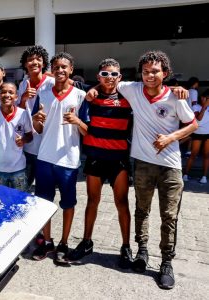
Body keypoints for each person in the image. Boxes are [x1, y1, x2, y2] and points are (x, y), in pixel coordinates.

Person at [88, 50, 197, 289]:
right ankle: (142, 251)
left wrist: (171, 138)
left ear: (165, 73)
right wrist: (95, 87)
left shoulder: (175, 97)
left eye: (155, 71)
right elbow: (110, 78)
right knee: (141, 210)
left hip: (170, 166)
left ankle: (166, 262)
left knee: (169, 216)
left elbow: (193, 124)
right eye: (146, 71)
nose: (150, 75)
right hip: (143, 163)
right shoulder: (133, 88)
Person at [68, 58, 133, 268]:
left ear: (120, 77)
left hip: (119, 160)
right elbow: (63, 79)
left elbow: (150, 88)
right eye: (105, 74)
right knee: (92, 202)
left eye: (114, 74)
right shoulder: (89, 97)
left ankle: (125, 247)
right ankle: (86, 242)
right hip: (95, 158)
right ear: (98, 77)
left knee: (122, 204)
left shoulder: (128, 96)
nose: (109, 78)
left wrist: (176, 87)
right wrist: (93, 90)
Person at [30, 52, 87, 262]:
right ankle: (47, 243)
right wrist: (36, 119)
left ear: (71, 69)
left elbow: (88, 131)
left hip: (68, 160)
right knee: (44, 203)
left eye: (64, 67)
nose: (60, 70)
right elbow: (37, 127)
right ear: (51, 70)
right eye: (56, 67)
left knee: (68, 203)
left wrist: (77, 122)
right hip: (44, 157)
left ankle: (64, 243)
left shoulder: (80, 96)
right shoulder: (43, 92)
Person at [17, 45, 55, 190]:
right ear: (25, 64)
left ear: (44, 63)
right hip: (28, 146)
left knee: (44, 190)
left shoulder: (52, 83)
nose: (34, 62)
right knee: (24, 188)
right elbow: (19, 113)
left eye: (38, 59)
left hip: (46, 146)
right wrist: (24, 98)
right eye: (30, 60)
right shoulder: (22, 85)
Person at [0, 82, 33, 191]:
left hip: (19, 169)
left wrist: (23, 140)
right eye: (3, 92)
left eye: (11, 92)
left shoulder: (23, 114)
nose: (7, 95)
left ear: (16, 97)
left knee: (20, 202)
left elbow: (30, 136)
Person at [183, 89, 209, 184]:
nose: (206, 100)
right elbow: (199, 118)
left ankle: (204, 176)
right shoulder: (196, 107)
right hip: (198, 134)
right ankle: (185, 174)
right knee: (193, 154)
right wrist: (204, 107)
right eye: (206, 98)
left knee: (206, 155)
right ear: (202, 98)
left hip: (207, 134)